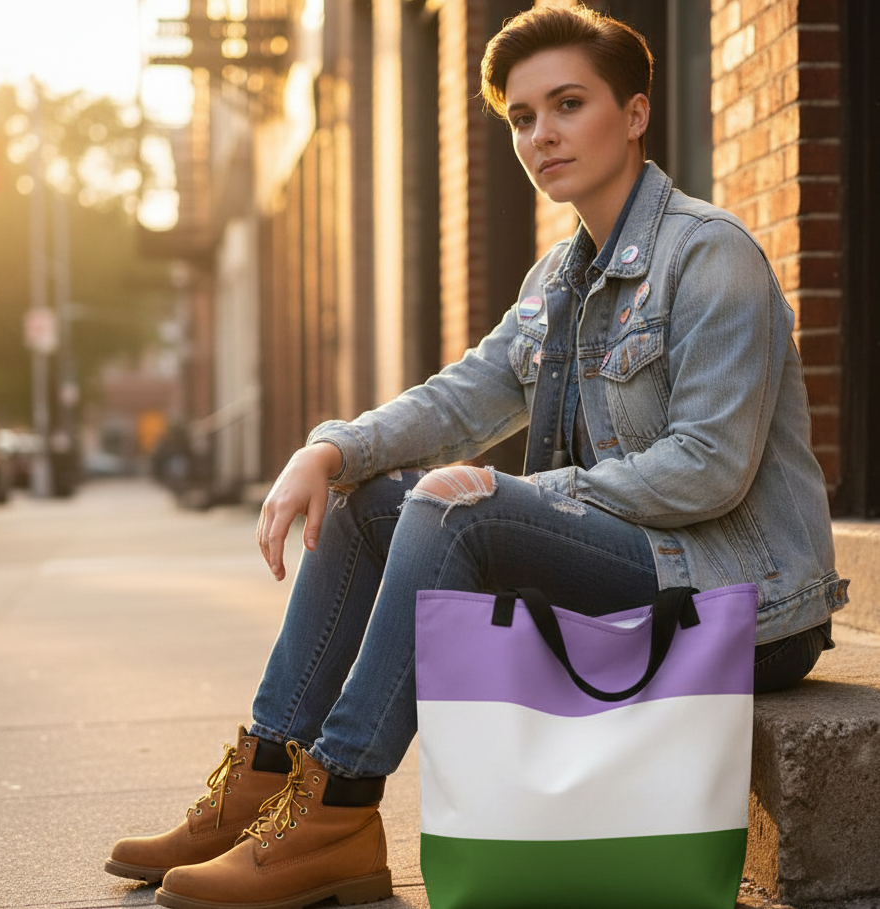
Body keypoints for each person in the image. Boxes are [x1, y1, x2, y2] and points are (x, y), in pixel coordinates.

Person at [106, 6, 849, 908]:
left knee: (458, 509)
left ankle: (339, 803)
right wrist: (331, 448)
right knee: (372, 498)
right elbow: (461, 397)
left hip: (742, 605)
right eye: (523, 118)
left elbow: (706, 466)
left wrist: (519, 492)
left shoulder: (709, 254)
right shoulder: (555, 278)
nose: (542, 134)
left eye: (568, 104)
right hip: (644, 572)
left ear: (637, 111)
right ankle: (265, 774)